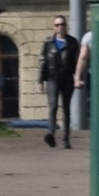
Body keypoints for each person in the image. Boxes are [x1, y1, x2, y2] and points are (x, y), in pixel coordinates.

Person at [40, 16, 80, 148]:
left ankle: (66, 139)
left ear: (66, 26)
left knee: (66, 109)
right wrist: (40, 80)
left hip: (67, 78)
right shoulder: (48, 42)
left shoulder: (72, 42)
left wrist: (78, 77)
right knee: (52, 106)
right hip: (52, 79)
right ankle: (50, 134)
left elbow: (78, 61)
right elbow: (43, 61)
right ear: (54, 27)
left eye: (62, 24)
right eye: (57, 25)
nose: (59, 27)